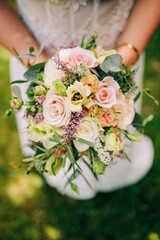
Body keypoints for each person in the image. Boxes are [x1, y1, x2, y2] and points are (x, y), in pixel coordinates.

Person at [0, 0, 159, 199]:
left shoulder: (118, 65)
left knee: (116, 129)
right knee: (51, 139)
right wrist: (44, 70)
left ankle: (114, 167)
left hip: (118, 56)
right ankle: (58, 167)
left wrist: (124, 58)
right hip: (35, 54)